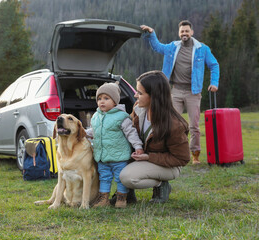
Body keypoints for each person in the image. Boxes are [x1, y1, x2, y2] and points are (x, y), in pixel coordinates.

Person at [140, 20, 219, 164]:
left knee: (194, 125)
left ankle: (195, 155)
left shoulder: (202, 49)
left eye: (187, 31)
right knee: (169, 122)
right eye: (182, 31)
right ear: (179, 33)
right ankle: (169, 152)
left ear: (192, 32)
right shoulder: (172, 47)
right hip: (175, 91)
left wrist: (214, 83)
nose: (184, 34)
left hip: (193, 92)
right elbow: (157, 47)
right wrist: (152, 33)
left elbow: (214, 65)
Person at [119, 71, 190, 203]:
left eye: (140, 93)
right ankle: (126, 194)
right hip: (144, 158)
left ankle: (161, 185)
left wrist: (149, 157)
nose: (135, 95)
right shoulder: (138, 109)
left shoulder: (174, 125)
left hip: (169, 166)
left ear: (154, 96)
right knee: (114, 161)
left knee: (127, 177)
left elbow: (182, 158)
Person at [85, 82, 144, 208]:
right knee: (104, 178)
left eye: (106, 98)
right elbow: (95, 131)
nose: (102, 102)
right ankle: (103, 199)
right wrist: (84, 133)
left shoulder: (121, 117)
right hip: (102, 156)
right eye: (99, 99)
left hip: (119, 156)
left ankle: (121, 198)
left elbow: (131, 133)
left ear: (115, 101)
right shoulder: (96, 116)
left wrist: (138, 147)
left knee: (120, 178)